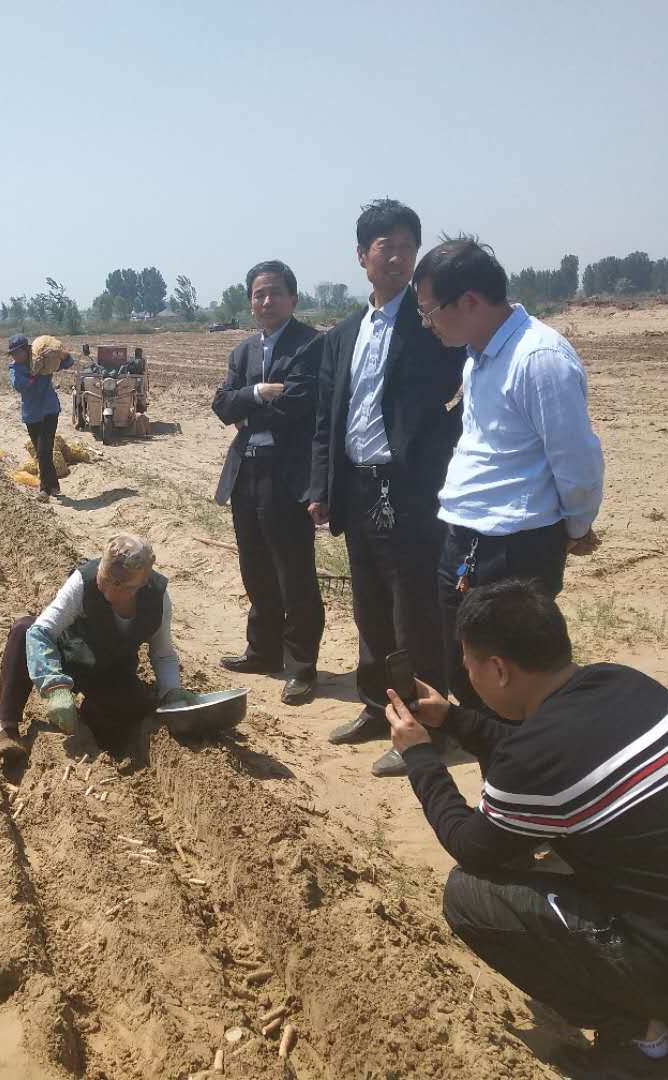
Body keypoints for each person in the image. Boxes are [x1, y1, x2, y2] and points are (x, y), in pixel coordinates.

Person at [384, 579, 668, 1080]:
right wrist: (452, 719)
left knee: (469, 896)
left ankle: (648, 1046)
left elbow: (471, 845)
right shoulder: (623, 683)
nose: (466, 673)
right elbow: (538, 748)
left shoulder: (534, 758)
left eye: (468, 663)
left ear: (498, 669)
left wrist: (420, 756)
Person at [305, 200, 465, 777]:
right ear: (361, 256)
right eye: (385, 247)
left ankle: (426, 729)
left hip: (410, 490)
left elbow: (464, 395)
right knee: (370, 608)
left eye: (406, 246)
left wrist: (434, 455)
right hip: (358, 487)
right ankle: (378, 709)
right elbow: (327, 417)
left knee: (414, 613)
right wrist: (322, 486)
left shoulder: (431, 327)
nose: (397, 257)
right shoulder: (344, 334)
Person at [413, 237, 604, 710]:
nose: (426, 323)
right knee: (467, 675)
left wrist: (574, 529)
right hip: (464, 540)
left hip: (514, 549)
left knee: (514, 687)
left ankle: (522, 757)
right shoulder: (478, 357)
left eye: (429, 311)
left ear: (469, 301)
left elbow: (576, 460)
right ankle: (486, 756)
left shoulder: (539, 359)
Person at [212, 260, 323, 705]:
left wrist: (245, 409)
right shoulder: (242, 352)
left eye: (275, 292)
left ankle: (302, 666)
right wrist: (258, 393)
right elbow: (222, 405)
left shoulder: (311, 345)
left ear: (293, 298)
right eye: (258, 294)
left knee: (294, 572)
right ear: (250, 302)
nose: (266, 301)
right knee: (255, 566)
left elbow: (297, 405)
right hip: (247, 471)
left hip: (286, 474)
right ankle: (263, 651)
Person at [0, 534, 186, 763]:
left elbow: (163, 654)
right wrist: (54, 686)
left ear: (137, 586)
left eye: (114, 583)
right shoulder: (83, 581)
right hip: (68, 654)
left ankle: (89, 722)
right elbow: (41, 631)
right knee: (24, 629)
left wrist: (172, 693)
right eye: (103, 576)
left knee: (132, 709)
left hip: (111, 669)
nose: (103, 584)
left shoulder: (157, 598)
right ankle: (8, 728)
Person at [8, 333, 74, 503]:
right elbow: (20, 386)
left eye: (17, 352)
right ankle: (54, 486)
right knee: (41, 453)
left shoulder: (44, 359)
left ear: (26, 350)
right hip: (31, 414)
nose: (15, 356)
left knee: (44, 450)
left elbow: (68, 363)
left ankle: (44, 490)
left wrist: (62, 354)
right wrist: (33, 373)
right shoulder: (15, 368)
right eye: (13, 353)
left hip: (49, 410)